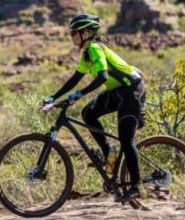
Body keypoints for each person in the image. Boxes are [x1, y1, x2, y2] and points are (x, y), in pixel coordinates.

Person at [40, 13, 146, 202]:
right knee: (88, 113)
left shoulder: (96, 48)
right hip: (117, 91)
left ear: (86, 32)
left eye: (74, 32)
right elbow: (75, 78)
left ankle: (137, 186)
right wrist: (53, 97)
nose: (71, 36)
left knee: (126, 139)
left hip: (131, 91)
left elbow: (103, 77)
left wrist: (78, 95)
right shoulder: (87, 53)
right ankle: (109, 154)